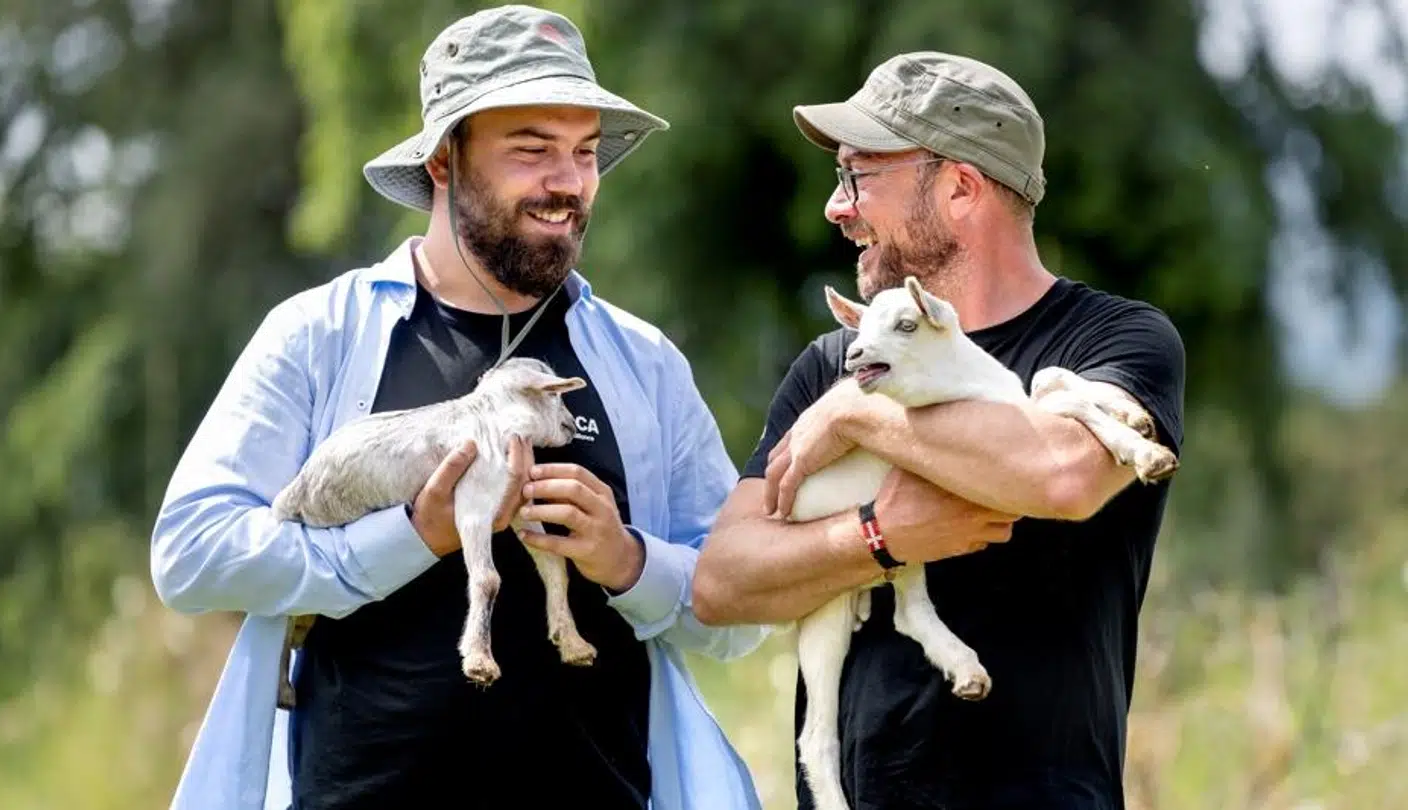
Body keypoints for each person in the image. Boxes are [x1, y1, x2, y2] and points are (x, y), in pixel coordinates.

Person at [149, 6, 768, 810]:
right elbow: (191, 553)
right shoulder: (317, 335)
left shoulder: (642, 363)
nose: (570, 182)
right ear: (444, 160)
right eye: (532, 150)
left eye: (585, 153)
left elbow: (737, 609)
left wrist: (628, 562)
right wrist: (409, 538)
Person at [692, 51, 1186, 810]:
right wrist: (876, 537)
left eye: (861, 176)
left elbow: (1063, 476)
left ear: (960, 188)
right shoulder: (831, 362)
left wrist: (860, 415)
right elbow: (722, 582)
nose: (837, 207)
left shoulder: (1116, 339)